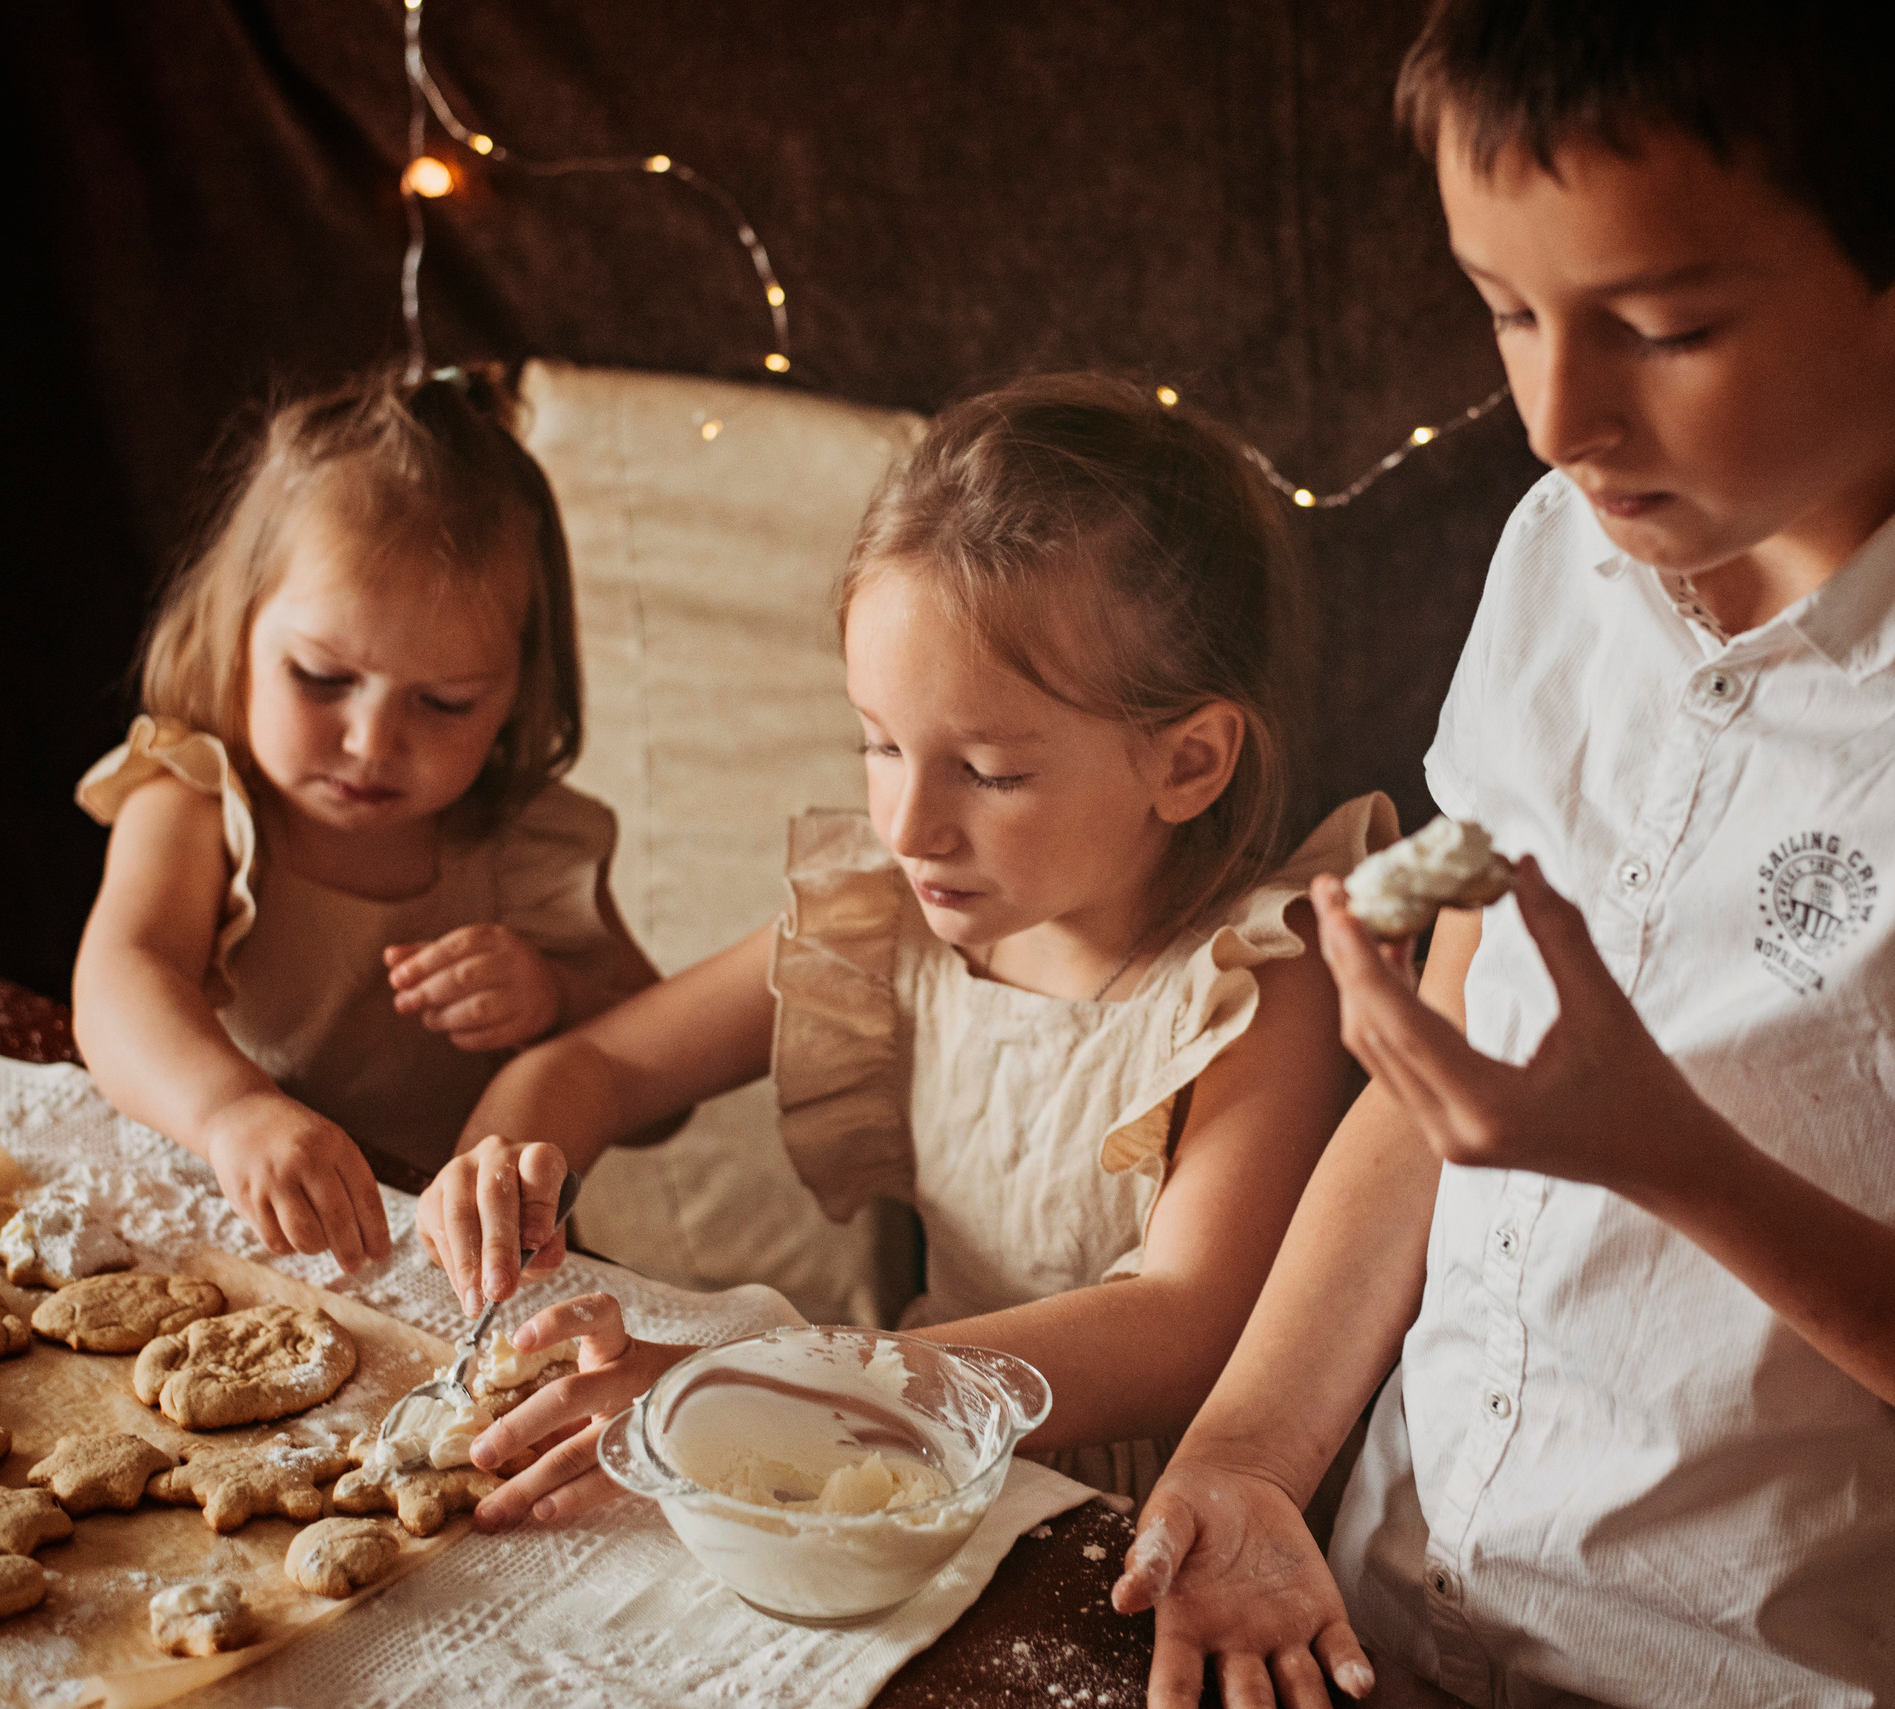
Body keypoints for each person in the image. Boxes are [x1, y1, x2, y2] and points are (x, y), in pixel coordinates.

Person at [1109, 3, 1895, 1706]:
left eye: (1661, 327)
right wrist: (1247, 1452)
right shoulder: (1564, 554)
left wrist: (1673, 1155)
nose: (1555, 415)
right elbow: (1423, 1101)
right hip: (1386, 1621)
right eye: (1509, 310)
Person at [419, 373, 1389, 1517]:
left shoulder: (1258, 980)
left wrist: (751, 1385)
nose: (907, 825)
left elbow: (1183, 1323)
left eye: (987, 772)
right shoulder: (887, 920)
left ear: (1186, 763)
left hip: (1147, 1531)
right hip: (902, 1471)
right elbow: (597, 1065)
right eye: (878, 745)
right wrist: (505, 1175)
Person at [72, 365, 655, 1274]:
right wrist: (234, 1111)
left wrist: (557, 999)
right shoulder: (198, 803)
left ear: (516, 694)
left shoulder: (533, 848)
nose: (372, 741)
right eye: (323, 678)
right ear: (238, 634)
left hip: (471, 1275)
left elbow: (664, 1088)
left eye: (445, 702)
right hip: (234, 1245)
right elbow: (118, 981)